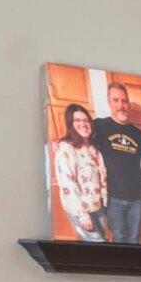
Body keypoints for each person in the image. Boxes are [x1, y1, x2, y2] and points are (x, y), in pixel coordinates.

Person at [90, 80, 141, 247]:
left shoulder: (139, 134)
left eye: (124, 101)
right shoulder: (99, 126)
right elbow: (81, 138)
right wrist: (63, 141)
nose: (121, 105)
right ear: (109, 102)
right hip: (113, 197)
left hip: (136, 198)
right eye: (116, 100)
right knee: (118, 236)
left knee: (134, 237)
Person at [48, 102, 106, 241]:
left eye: (86, 120)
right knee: (97, 243)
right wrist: (82, 215)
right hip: (81, 210)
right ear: (70, 124)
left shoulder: (93, 149)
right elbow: (67, 184)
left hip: (97, 206)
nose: (83, 124)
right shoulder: (66, 149)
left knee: (102, 241)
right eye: (77, 120)